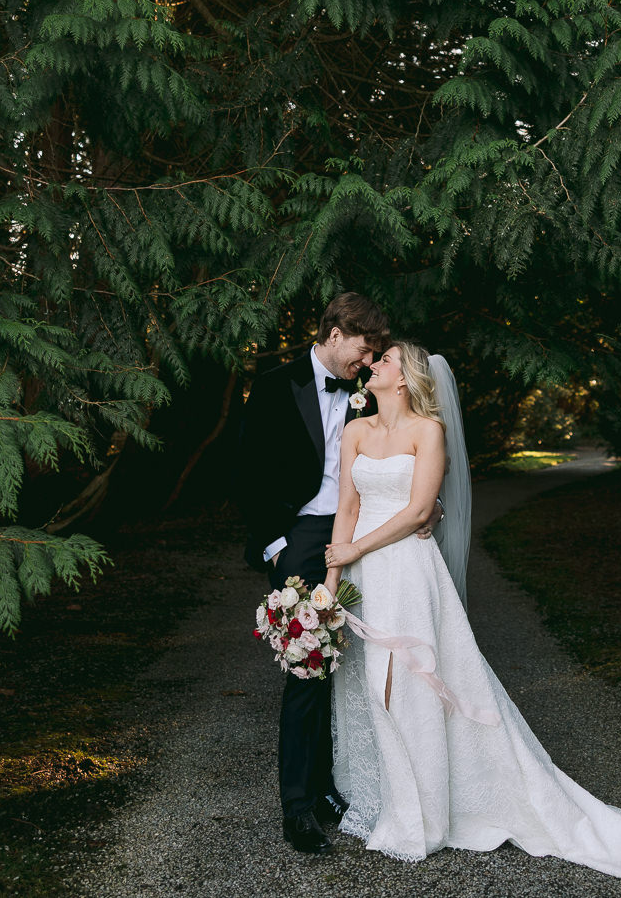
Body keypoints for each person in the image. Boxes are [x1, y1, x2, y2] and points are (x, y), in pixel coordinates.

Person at [322, 343, 621, 894]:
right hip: (363, 575)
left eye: (387, 359)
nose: (374, 363)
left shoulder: (428, 431)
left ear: (404, 379)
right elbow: (347, 509)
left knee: (410, 684)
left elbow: (420, 510)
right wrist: (331, 588)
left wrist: (358, 548)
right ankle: (391, 799)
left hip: (407, 572)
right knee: (368, 683)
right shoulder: (356, 431)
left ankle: (422, 814)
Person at [236, 292, 388, 854]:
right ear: (334, 333)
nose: (367, 362)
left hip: (360, 537)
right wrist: (276, 548)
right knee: (308, 666)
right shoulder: (275, 386)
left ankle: (328, 787)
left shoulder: (368, 392)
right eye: (363, 350)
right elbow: (247, 470)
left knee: (352, 663)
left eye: (373, 355)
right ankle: (298, 807)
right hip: (298, 540)